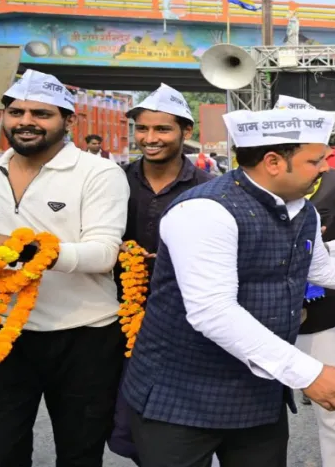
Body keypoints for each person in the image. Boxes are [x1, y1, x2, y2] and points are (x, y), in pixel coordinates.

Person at [120, 104, 335, 467]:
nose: (325, 168)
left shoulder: (302, 209)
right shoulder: (204, 211)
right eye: (314, 161)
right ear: (273, 162)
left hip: (257, 391)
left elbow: (321, 269)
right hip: (181, 396)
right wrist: (309, 372)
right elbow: (213, 312)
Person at [0, 69, 130, 466]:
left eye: (41, 114)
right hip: (1, 333)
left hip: (85, 336)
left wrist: (12, 247)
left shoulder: (99, 173)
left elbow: (103, 254)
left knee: (80, 454)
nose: (26, 121)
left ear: (69, 121)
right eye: (16, 112)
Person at [108, 83, 214, 464]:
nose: (150, 138)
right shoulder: (112, 181)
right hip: (114, 317)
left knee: (179, 424)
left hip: (184, 323)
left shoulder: (210, 188)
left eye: (162, 129)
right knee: (119, 418)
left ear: (186, 131)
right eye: (142, 129)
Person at [274, 95, 335, 467]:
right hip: (265, 310)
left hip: (324, 309)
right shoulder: (253, 178)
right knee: (262, 407)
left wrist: (319, 249)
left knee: (332, 406)